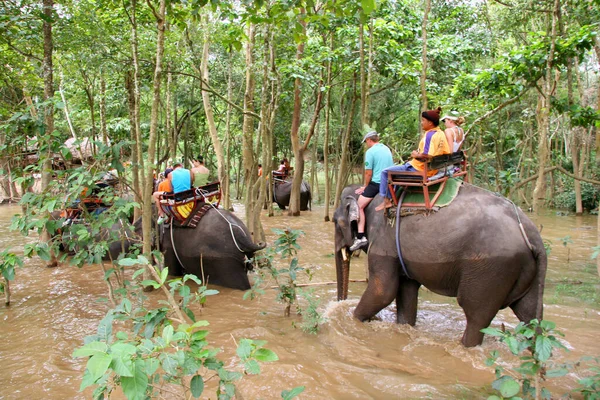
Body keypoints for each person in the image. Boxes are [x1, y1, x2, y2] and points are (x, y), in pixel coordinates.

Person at [376, 106, 450, 211]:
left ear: (430, 123)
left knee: (385, 173)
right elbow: (444, 152)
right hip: (433, 169)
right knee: (396, 169)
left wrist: (416, 155)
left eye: (423, 120)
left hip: (419, 169)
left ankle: (387, 200)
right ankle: (393, 197)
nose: (421, 123)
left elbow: (428, 155)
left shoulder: (430, 135)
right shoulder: (441, 133)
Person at [349, 130, 394, 251]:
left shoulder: (370, 152)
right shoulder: (386, 148)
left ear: (369, 140)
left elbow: (369, 173)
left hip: (378, 183)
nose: (366, 144)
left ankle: (360, 236)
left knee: (359, 206)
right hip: (391, 182)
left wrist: (365, 186)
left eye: (366, 142)